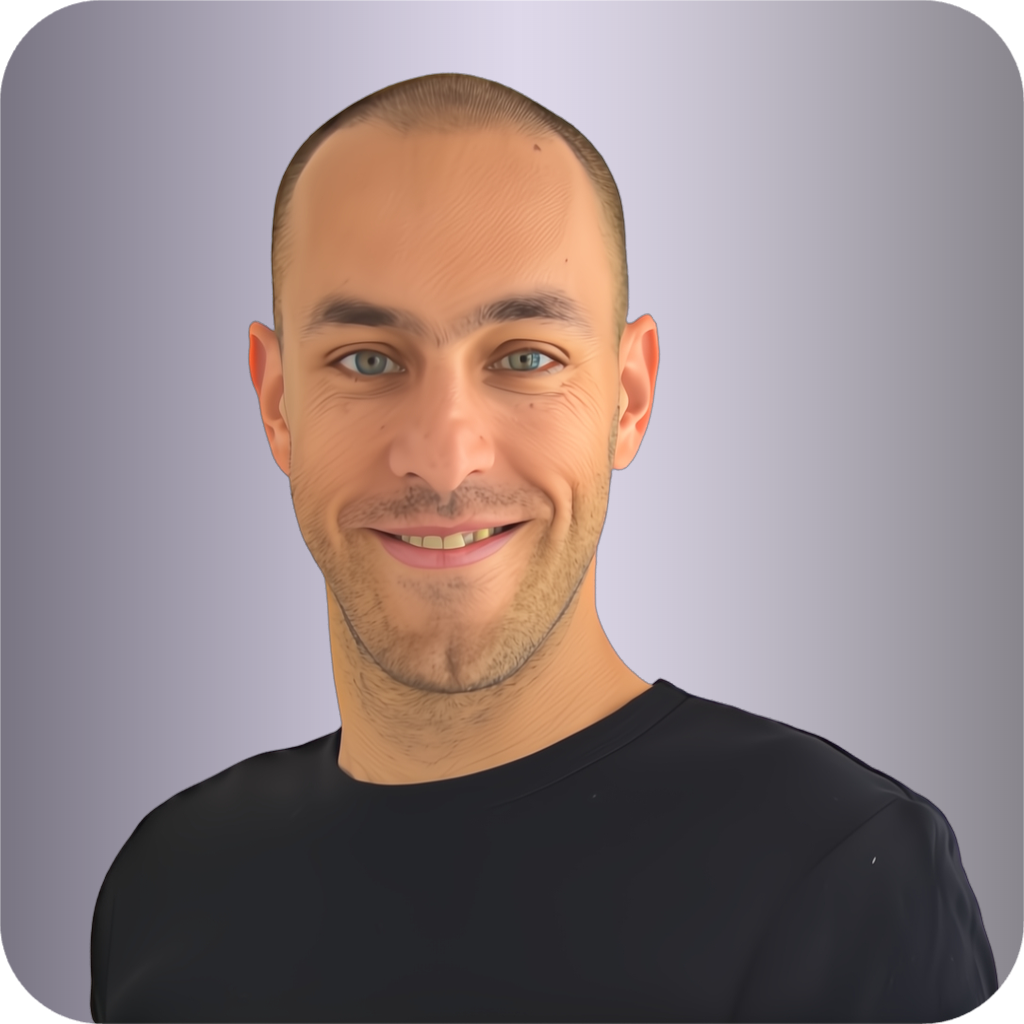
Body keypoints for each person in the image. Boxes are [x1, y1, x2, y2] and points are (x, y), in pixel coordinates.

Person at [89, 73, 998, 1022]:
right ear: (278, 404)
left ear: (628, 398)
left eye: (525, 358)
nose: (445, 456)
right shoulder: (166, 880)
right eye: (368, 360)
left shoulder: (838, 871)